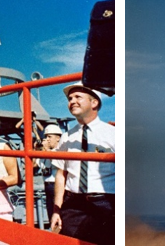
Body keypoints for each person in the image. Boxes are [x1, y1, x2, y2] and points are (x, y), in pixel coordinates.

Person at [50, 83, 115, 245]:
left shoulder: (113, 134)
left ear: (94, 103)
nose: (72, 101)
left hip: (106, 203)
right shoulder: (66, 138)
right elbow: (61, 174)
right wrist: (57, 210)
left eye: (78, 97)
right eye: (70, 98)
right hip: (73, 205)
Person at [41, 124, 63, 221]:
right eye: (46, 136)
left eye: (49, 136)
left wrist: (46, 150)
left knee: (59, 214)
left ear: (58, 138)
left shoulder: (61, 150)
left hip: (57, 185)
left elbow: (57, 162)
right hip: (47, 185)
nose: (47, 139)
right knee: (51, 214)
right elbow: (34, 165)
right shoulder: (47, 151)